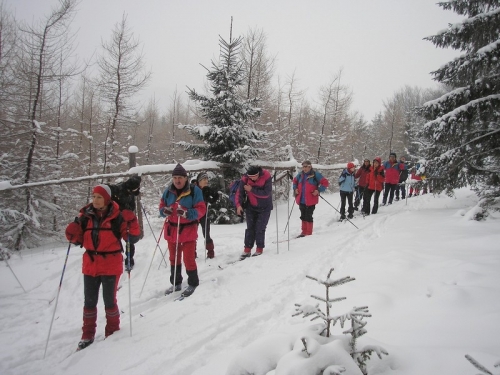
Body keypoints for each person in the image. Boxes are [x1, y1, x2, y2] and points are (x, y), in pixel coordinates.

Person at [65, 184, 140, 351]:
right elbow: (78, 241)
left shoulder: (117, 217)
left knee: (109, 300)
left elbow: (132, 238)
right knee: (89, 301)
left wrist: (132, 222)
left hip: (111, 264)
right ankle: (87, 334)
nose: (95, 200)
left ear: (107, 199)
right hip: (91, 264)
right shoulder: (85, 217)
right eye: (93, 197)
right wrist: (72, 233)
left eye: (99, 197)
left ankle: (112, 331)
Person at [159, 164, 206, 298]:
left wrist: (187, 213)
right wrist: (164, 211)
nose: (177, 180)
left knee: (188, 258)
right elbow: (162, 205)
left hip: (188, 230)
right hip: (172, 229)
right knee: (174, 258)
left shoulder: (194, 190)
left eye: (180, 177)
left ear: (185, 178)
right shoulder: (168, 191)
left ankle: (193, 282)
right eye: (175, 178)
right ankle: (176, 283)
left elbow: (201, 209)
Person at [235, 166, 273, 259]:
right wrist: (238, 205)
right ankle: (247, 249)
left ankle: (259, 248)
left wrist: (251, 190)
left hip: (265, 207)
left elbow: (266, 193)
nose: (251, 178)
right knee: (250, 228)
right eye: (250, 177)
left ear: (258, 174)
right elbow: (239, 192)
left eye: (253, 176)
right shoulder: (245, 178)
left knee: (260, 228)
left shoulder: (266, 176)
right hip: (251, 206)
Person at [106, 175, 142, 271]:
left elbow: (132, 206)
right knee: (114, 238)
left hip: (126, 219)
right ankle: (113, 258)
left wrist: (128, 211)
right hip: (114, 219)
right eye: (133, 190)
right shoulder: (119, 188)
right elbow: (106, 188)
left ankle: (129, 259)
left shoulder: (131, 193)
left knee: (128, 240)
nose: (134, 192)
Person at [293, 160, 329, 237]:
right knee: (303, 216)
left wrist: (318, 190)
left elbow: (325, 183)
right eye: (303, 166)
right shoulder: (300, 175)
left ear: (310, 167)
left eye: (306, 166)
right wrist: (295, 188)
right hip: (301, 199)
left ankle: (308, 233)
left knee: (308, 216)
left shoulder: (316, 175)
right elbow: (294, 182)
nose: (304, 168)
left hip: (311, 200)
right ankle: (303, 232)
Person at [193, 172, 219, 259]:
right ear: (199, 181)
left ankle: (210, 251)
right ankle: (192, 252)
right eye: (204, 179)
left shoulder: (207, 189)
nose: (206, 181)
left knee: (206, 234)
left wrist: (210, 198)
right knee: (192, 234)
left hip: (204, 214)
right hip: (194, 214)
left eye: (207, 179)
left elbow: (216, 196)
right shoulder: (193, 189)